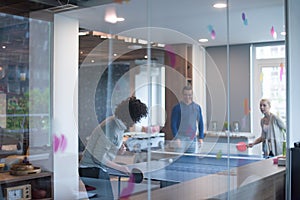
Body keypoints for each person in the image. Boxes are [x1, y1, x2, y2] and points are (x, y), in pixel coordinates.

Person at [79, 96, 148, 199]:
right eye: (137, 119)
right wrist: (120, 167)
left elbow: (111, 143)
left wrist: (119, 149)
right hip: (91, 170)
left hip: (96, 169)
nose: (136, 122)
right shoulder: (111, 128)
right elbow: (97, 157)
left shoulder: (117, 124)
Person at [171, 85, 204, 153]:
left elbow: (200, 123)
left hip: (192, 138)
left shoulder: (197, 108)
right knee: (179, 161)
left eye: (189, 95)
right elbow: (173, 124)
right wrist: (176, 138)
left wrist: (201, 137)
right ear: (182, 95)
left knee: (191, 160)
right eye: (185, 95)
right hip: (180, 138)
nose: (187, 97)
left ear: (192, 95)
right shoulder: (177, 108)